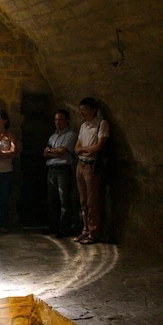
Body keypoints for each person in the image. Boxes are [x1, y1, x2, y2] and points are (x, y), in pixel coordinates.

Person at [74, 97, 109, 245]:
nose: (81, 112)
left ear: (93, 110)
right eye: (80, 109)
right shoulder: (83, 126)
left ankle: (94, 232)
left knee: (92, 200)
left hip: (91, 166)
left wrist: (84, 150)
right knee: (83, 200)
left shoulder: (101, 124)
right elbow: (77, 148)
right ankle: (85, 229)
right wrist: (84, 150)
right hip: (81, 165)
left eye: (84, 109)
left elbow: (99, 147)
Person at [43, 110, 77, 237]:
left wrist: (51, 151)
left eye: (60, 119)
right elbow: (45, 153)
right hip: (52, 170)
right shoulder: (53, 137)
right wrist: (53, 151)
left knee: (64, 201)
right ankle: (53, 226)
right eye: (56, 120)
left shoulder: (71, 135)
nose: (58, 122)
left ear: (67, 120)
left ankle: (64, 228)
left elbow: (62, 151)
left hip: (63, 170)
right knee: (52, 200)